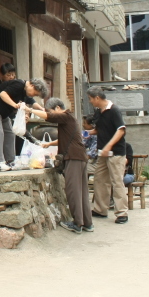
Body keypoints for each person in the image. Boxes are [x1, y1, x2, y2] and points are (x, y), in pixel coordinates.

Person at [28, 97, 92, 233]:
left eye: (51, 110)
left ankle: (77, 223)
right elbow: (65, 138)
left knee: (73, 190)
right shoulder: (69, 119)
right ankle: (87, 222)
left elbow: (48, 117)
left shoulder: (65, 116)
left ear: (57, 108)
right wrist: (49, 144)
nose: (51, 114)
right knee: (81, 191)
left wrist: (29, 109)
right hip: (80, 156)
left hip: (74, 157)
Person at [87, 86, 129, 224]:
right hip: (102, 153)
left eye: (91, 99)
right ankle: (100, 209)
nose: (90, 101)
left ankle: (122, 213)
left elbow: (121, 130)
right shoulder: (99, 112)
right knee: (99, 180)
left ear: (97, 98)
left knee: (117, 182)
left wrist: (109, 146)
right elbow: (98, 130)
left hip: (116, 153)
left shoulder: (114, 110)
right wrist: (85, 133)